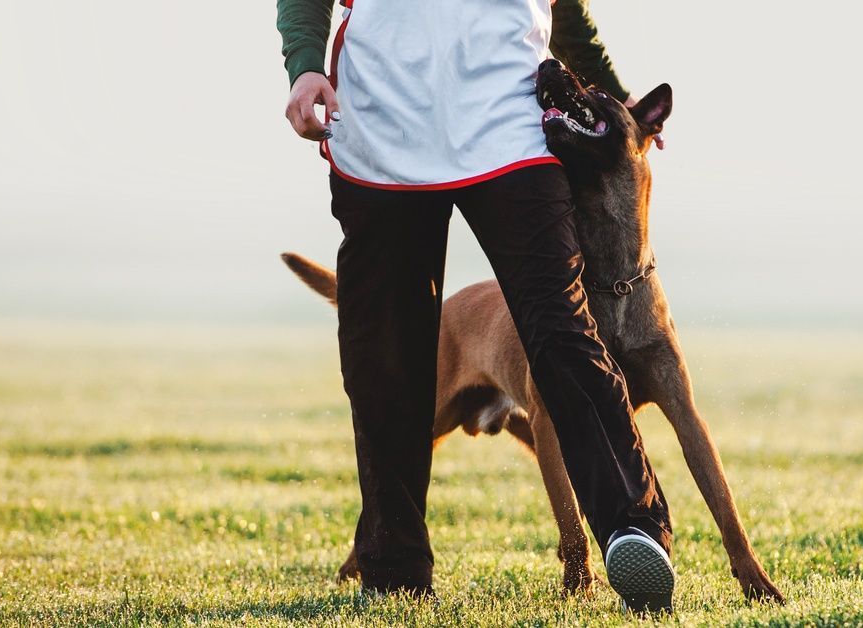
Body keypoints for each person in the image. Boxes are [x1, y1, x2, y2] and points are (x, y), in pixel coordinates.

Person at [276, 0, 675, 614]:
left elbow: (562, 7)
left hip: (509, 124)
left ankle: (633, 529)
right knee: (384, 356)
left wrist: (618, 101)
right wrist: (305, 66)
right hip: (384, 127)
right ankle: (395, 567)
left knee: (563, 330)